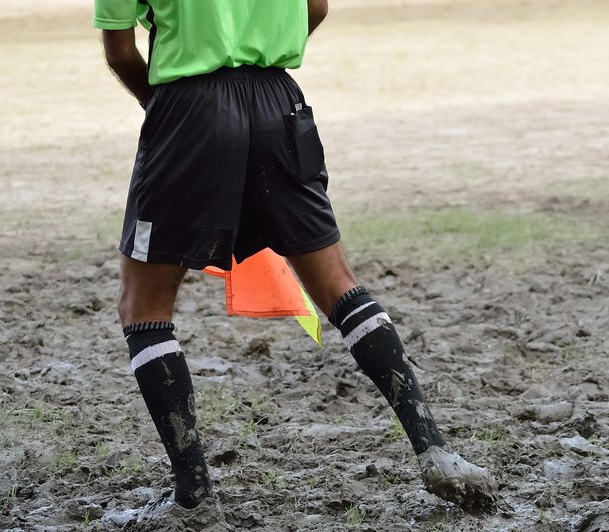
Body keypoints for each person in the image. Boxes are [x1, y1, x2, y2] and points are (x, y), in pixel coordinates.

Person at [94, 0, 498, 524]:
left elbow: (121, 49)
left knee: (143, 305)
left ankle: (194, 498)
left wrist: (172, 104)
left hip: (185, 111)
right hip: (278, 106)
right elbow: (316, 7)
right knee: (338, 284)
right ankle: (435, 451)